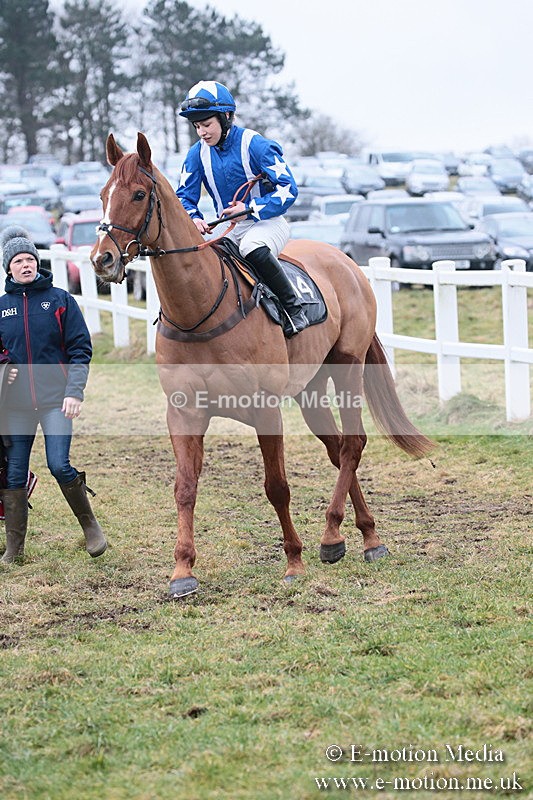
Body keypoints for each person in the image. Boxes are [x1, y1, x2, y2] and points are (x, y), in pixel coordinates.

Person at [0, 226, 107, 563]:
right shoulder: (2, 307)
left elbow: (80, 349)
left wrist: (74, 391)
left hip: (55, 401)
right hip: (15, 407)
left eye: (30, 259)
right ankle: (14, 549)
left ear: (38, 263)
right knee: (14, 474)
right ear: (9, 269)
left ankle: (90, 526)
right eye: (18, 261)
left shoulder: (60, 300)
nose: (25, 265)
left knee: (59, 464)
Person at [177, 80, 308, 337]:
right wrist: (193, 218)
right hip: (228, 227)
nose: (202, 132)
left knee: (251, 247)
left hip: (266, 223)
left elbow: (289, 189)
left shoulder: (255, 144)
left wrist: (249, 208)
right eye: (197, 126)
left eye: (207, 124)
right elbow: (184, 196)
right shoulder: (196, 154)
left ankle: (294, 309)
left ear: (226, 117)